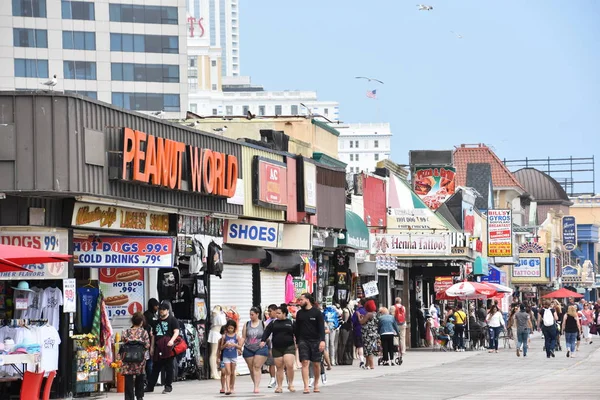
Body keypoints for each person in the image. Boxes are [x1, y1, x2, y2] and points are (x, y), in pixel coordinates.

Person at [260, 304, 296, 393]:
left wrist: (298, 342)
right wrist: (263, 340)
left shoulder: (290, 322)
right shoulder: (273, 323)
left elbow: (297, 333)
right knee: (279, 367)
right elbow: (267, 331)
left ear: (284, 314)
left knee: (289, 365)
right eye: (276, 313)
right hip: (276, 347)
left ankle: (290, 384)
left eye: (279, 313)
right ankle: (279, 386)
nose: (277, 315)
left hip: (289, 346)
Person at [295, 293, 326, 394]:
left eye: (301, 300)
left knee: (316, 364)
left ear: (307, 300)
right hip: (303, 340)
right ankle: (306, 386)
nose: (300, 302)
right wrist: (297, 340)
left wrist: (322, 341)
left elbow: (321, 328)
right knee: (305, 362)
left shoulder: (317, 313)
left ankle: (316, 384)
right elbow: (297, 328)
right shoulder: (299, 313)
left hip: (316, 340)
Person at [146, 304, 180, 394]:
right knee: (155, 367)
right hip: (158, 346)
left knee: (169, 367)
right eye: (160, 309)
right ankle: (150, 386)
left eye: (163, 309)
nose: (161, 311)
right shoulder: (156, 322)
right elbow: (153, 335)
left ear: (168, 310)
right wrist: (152, 347)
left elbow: (176, 332)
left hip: (168, 346)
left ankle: (168, 386)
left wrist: (172, 341)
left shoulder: (173, 320)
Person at [121, 312, 150, 400]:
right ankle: (139, 396)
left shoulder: (125, 332)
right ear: (141, 322)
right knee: (140, 377)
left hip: (127, 360)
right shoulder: (144, 333)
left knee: (128, 379)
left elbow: (123, 342)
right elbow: (147, 345)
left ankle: (129, 397)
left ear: (132, 321)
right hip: (139, 359)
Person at [242, 307, 269, 394]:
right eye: (250, 314)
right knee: (251, 368)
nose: (251, 316)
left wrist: (264, 342)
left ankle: (256, 387)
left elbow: (267, 336)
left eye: (252, 314)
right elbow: (243, 337)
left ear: (257, 314)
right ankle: (255, 383)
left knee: (256, 366)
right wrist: (239, 347)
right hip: (248, 348)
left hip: (260, 348)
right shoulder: (246, 324)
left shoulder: (263, 324)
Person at [220, 320, 242, 396]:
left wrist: (235, 345)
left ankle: (232, 387)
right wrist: (225, 345)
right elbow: (221, 348)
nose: (230, 330)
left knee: (232, 372)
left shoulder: (236, 336)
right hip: (226, 356)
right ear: (227, 328)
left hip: (233, 356)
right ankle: (228, 388)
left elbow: (240, 346)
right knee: (228, 372)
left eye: (231, 328)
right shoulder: (224, 336)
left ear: (234, 328)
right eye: (229, 328)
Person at [143, 298, 159, 382]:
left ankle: (151, 379)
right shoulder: (147, 315)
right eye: (156, 306)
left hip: (154, 341)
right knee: (149, 362)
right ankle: (150, 380)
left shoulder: (154, 315)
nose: (157, 308)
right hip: (148, 342)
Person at [360, 299, 379, 369]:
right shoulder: (375, 314)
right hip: (373, 333)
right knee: (369, 348)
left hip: (367, 334)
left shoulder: (368, 314)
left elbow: (361, 322)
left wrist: (359, 316)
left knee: (368, 349)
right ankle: (367, 364)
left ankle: (371, 364)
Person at [264, 304, 278, 389]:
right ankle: (273, 379)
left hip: (280, 345)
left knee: (283, 364)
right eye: (268, 311)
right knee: (271, 363)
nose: (269, 313)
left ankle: (288, 380)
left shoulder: (280, 320)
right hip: (270, 345)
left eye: (270, 311)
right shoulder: (266, 322)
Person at [351, 299, 367, 368]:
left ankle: (362, 361)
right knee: (365, 346)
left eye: (358, 303)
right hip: (366, 331)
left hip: (358, 330)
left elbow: (352, 321)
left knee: (360, 346)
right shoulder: (366, 311)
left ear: (360, 303)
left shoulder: (357, 312)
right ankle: (368, 361)